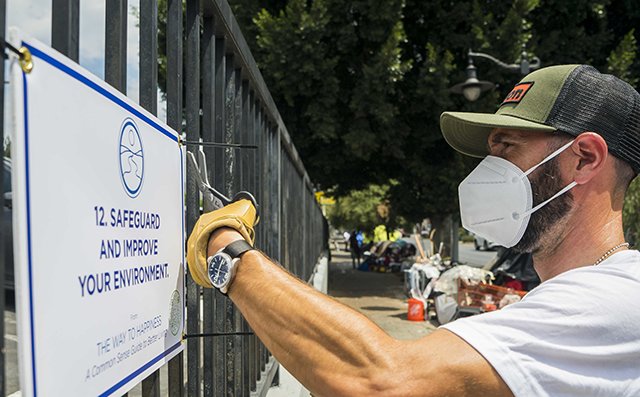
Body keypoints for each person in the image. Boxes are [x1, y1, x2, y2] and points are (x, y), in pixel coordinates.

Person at [187, 64, 640, 396]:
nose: (489, 167)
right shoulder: (581, 297)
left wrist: (229, 254)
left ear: (584, 158)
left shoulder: (612, 300)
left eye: (507, 146)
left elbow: (382, 383)